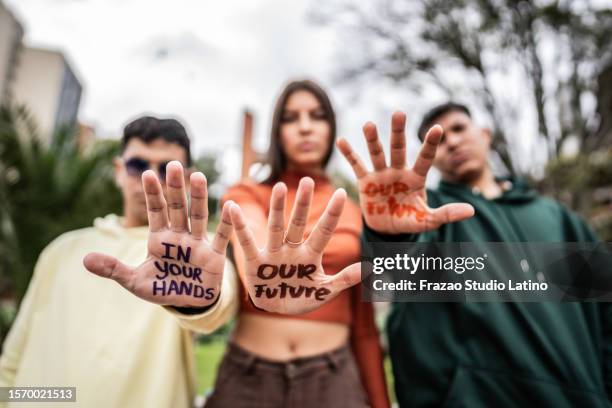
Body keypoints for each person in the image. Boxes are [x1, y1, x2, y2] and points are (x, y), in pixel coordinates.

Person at [337, 103, 612, 407]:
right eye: (438, 140)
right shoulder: (430, 217)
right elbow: (395, 272)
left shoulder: (558, 219)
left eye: (458, 128)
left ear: (484, 134)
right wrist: (390, 233)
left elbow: (605, 313)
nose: (452, 142)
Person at [0, 116, 237, 408]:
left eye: (166, 168)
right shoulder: (62, 250)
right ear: (118, 170)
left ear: (187, 179)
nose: (151, 177)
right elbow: (13, 360)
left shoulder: (201, 255)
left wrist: (197, 301)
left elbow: (219, 304)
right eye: (138, 165)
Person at [205, 79, 390, 408]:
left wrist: (380, 403)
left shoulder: (353, 213)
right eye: (291, 118)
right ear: (277, 131)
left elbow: (363, 328)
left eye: (317, 116)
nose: (305, 128)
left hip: (334, 382)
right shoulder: (246, 194)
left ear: (331, 128)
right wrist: (265, 271)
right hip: (248, 380)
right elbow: (255, 241)